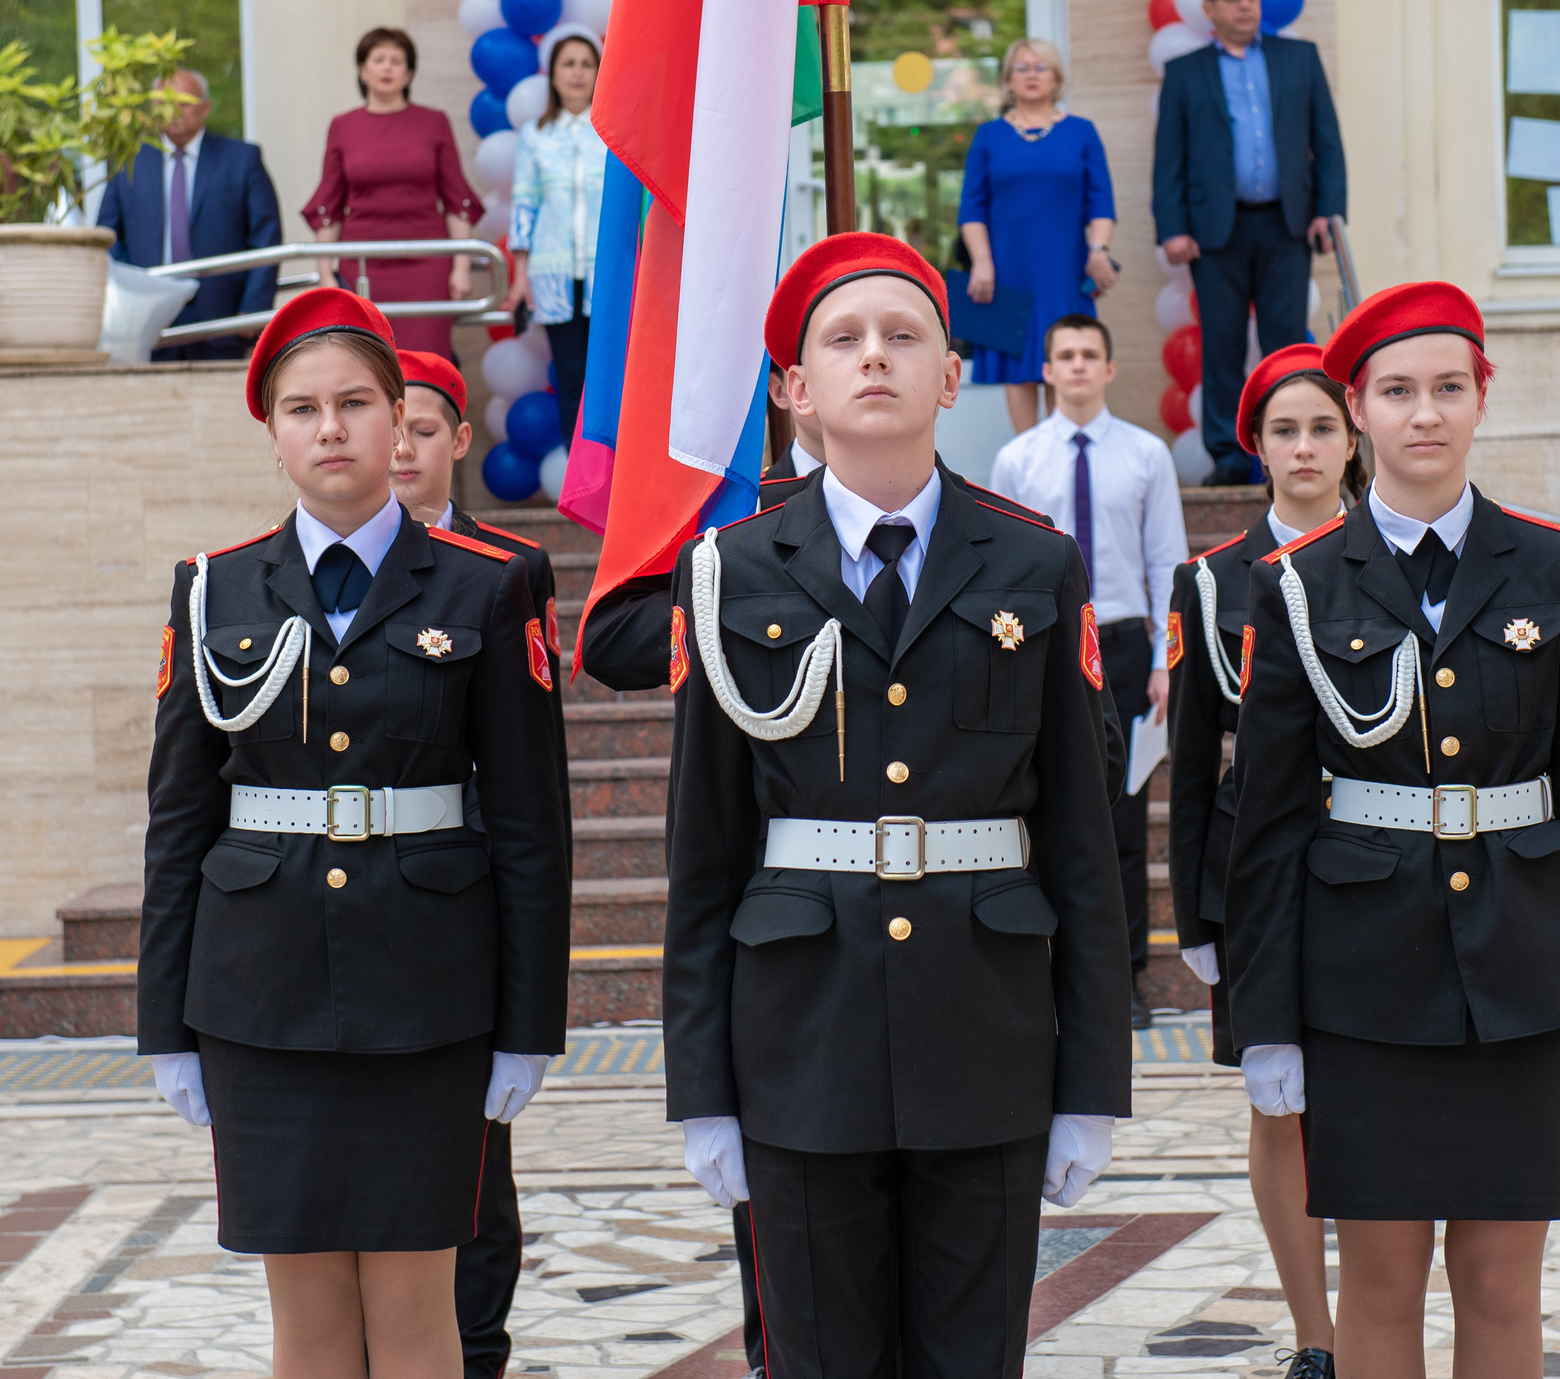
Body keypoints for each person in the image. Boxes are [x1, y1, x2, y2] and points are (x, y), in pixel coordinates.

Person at [664, 232, 1133, 1379]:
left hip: (987, 1032)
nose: (874, 356)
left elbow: (1082, 841)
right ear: (796, 388)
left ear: (951, 375)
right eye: (843, 338)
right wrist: (702, 1089)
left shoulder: (1035, 563)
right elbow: (704, 849)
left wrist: (1091, 1082)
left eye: (903, 334)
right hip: (799, 1040)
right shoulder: (729, 570)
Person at [138, 288, 571, 1378]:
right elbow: (178, 818)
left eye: (354, 403)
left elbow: (531, 824)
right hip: (259, 994)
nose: (329, 428)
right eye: (302, 408)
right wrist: (164, 1024)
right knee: (309, 1318)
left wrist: (528, 1024)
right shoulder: (213, 588)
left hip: (428, 996)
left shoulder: (487, 583)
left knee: (418, 1313)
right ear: (273, 433)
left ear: (398, 421)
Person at [1226, 282, 1560, 1379]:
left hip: (1527, 974)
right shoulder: (1298, 583)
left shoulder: (1555, 563)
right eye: (1398, 391)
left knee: (1503, 1283)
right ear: (1357, 409)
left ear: (1481, 400)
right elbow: (1266, 824)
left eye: (1449, 388)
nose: (1425, 413)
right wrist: (1262, 1020)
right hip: (1362, 980)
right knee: (1379, 1281)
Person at [1165, 341, 1362, 1379]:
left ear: (1353, 436)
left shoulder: (1397, 559)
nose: (1304, 447)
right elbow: (1193, 760)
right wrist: (1193, 914)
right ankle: (1315, 1333)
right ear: (1256, 445)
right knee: (1277, 1104)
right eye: (1284, 429)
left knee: (1372, 1098)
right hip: (1257, 876)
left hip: (1375, 859)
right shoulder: (1209, 583)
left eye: (1323, 426)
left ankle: (1373, 1322)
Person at [388, 347, 567, 1379]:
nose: (401, 449)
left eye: (422, 429)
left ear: (460, 439)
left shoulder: (506, 569)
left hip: (464, 891)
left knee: (474, 1170)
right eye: (391, 426)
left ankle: (479, 1349)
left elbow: (523, 778)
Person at [988, 312, 1186, 1026]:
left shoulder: (1146, 455)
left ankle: (1122, 975)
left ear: (1108, 367)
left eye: (1088, 354)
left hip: (1125, 647)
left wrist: (1166, 660)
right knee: (1038, 810)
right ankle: (1043, 970)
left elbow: (1167, 560)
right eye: (1064, 355)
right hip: (1046, 646)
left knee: (1121, 820)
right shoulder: (1017, 460)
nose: (1076, 365)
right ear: (1047, 370)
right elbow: (1004, 566)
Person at [1152, 0, 1348, 485]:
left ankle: (1289, 448)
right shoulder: (1186, 71)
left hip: (1287, 224)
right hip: (1216, 232)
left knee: (1286, 344)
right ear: (1209, 8)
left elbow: (1327, 143)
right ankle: (1228, 459)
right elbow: (1169, 157)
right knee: (1222, 346)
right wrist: (1171, 227)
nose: (1246, 6)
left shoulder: (1299, 59)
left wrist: (1328, 211)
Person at [956, 39, 1117, 435]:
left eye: (1041, 67)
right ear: (1008, 80)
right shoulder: (988, 136)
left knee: (1064, 356)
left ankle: (1062, 453)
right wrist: (981, 262)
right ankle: (1028, 457)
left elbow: (1101, 203)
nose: (1031, 75)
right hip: (1005, 269)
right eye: (1022, 68)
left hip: (1064, 268)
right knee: (1017, 365)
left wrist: (1099, 250)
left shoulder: (1081, 132)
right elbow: (972, 209)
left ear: (1057, 78)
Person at [304, 28, 485, 354]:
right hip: (362, 266)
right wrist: (325, 272)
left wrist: (461, 267)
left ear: (409, 73)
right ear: (363, 70)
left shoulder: (434, 122)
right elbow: (328, 206)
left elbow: (456, 200)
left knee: (424, 359)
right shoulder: (343, 126)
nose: (387, 67)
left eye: (397, 61)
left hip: (427, 266)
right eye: (379, 59)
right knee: (369, 361)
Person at [99, 69, 284, 362]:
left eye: (183, 103)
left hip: (222, 314)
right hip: (148, 316)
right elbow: (108, 237)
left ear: (205, 108)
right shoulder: (129, 161)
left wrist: (254, 305)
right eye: (163, 103)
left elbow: (266, 235)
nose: (173, 111)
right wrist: (129, 298)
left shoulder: (241, 159)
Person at [508, 27, 605, 446]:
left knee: (609, 380)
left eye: (587, 64)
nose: (577, 73)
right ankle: (577, 476)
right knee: (570, 378)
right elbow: (524, 205)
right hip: (553, 274)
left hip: (608, 274)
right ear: (552, 74)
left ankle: (613, 476)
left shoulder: (613, 132)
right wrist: (519, 277)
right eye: (568, 64)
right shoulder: (536, 135)